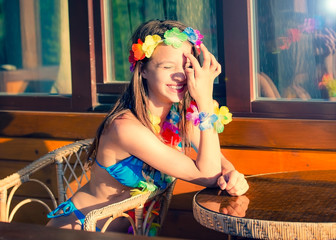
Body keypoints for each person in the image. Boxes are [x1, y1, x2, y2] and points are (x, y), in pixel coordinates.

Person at [46, 19, 249, 232]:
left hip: (134, 231)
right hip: (79, 230)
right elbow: (209, 174)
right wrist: (205, 99)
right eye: (167, 66)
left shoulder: (176, 116)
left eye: (187, 66)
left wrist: (232, 175)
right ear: (142, 70)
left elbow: (215, 163)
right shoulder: (125, 128)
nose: (180, 75)